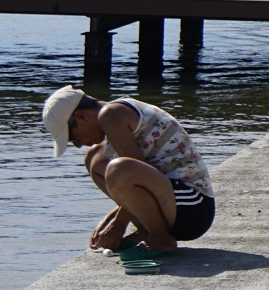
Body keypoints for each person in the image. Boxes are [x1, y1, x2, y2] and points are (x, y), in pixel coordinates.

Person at [43, 85, 216, 258]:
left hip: (195, 207)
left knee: (118, 169)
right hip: (176, 204)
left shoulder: (110, 115)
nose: (78, 145)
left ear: (81, 116)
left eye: (72, 138)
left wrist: (118, 225)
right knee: (95, 158)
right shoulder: (116, 110)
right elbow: (137, 179)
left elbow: (131, 172)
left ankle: (161, 239)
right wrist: (110, 219)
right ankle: (146, 230)